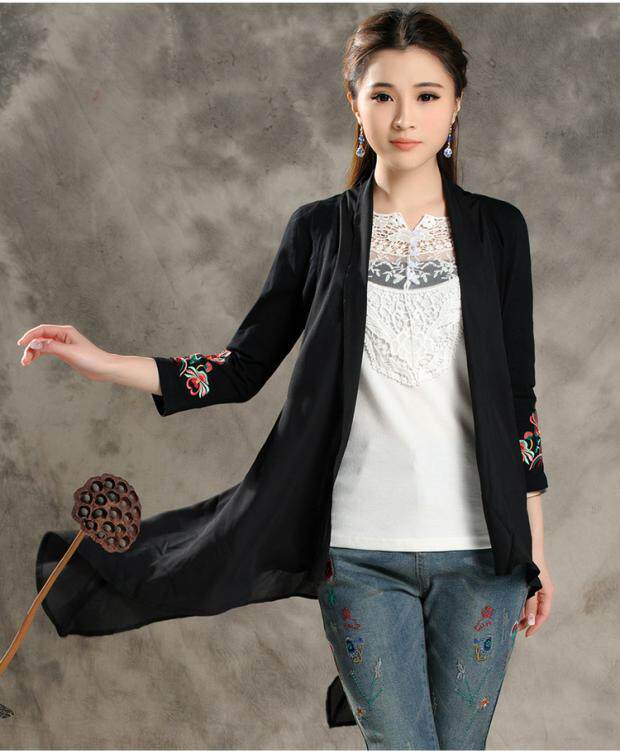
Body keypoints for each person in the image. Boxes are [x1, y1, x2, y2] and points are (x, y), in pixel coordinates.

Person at [18, 8, 553, 749]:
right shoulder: (319, 230)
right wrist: (104, 360)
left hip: (484, 555)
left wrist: (535, 552)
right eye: (383, 95)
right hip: (358, 554)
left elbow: (518, 402)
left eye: (427, 95)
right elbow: (239, 368)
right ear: (354, 103)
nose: (405, 116)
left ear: (456, 103)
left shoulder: (499, 231)